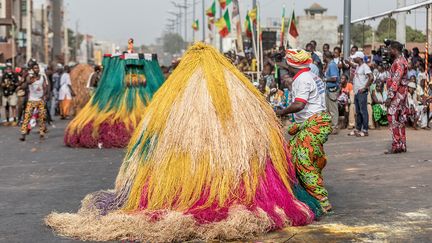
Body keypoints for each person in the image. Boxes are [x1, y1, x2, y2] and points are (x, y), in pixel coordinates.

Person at [276, 49, 332, 213]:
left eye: (287, 62)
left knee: (303, 160)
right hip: (310, 124)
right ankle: (305, 193)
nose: (286, 65)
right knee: (292, 154)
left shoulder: (303, 78)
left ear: (292, 64)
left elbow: (299, 105)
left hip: (314, 125)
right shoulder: (311, 75)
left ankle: (322, 201)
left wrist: (280, 112)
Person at [385, 41, 409, 154]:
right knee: (400, 119)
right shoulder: (402, 60)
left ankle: (396, 145)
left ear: (394, 50)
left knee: (392, 117)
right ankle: (402, 144)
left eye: (390, 49)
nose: (389, 52)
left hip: (397, 94)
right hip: (402, 94)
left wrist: (389, 97)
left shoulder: (399, 62)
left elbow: (396, 80)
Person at [19, 64, 47, 141]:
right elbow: (26, 84)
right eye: (35, 68)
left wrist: (44, 95)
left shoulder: (42, 77)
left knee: (42, 117)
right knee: (27, 117)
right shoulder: (30, 77)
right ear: (32, 69)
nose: (37, 69)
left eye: (37, 68)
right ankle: (23, 134)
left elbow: (45, 87)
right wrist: (29, 79)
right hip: (31, 100)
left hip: (40, 100)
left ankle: (41, 133)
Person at [349, 51, 373, 137]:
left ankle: (365, 130)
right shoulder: (358, 66)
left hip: (361, 92)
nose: (354, 58)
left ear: (359, 58)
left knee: (363, 111)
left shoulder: (365, 67)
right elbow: (352, 64)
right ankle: (358, 129)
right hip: (356, 91)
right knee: (358, 111)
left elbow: (371, 77)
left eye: (355, 57)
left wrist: (365, 87)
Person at [323, 51, 340, 134]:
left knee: (333, 110)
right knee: (328, 110)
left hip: (332, 90)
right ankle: (330, 127)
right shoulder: (329, 65)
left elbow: (334, 78)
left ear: (326, 57)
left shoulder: (332, 65)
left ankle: (334, 127)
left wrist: (325, 79)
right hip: (328, 90)